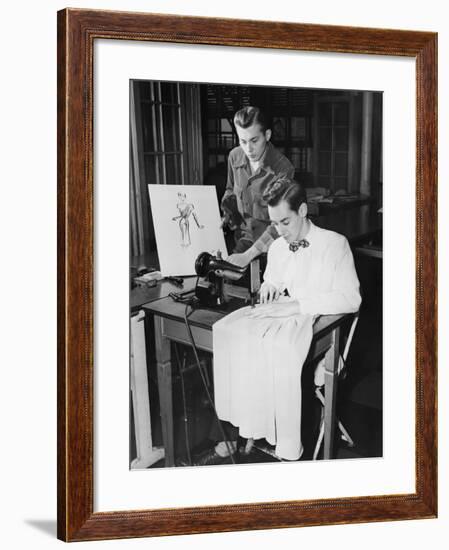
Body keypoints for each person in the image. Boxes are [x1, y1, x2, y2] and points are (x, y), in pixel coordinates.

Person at [186, 176, 361, 466]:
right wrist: (270, 285)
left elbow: (351, 299)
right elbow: (276, 278)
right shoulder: (279, 246)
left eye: (285, 222)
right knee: (230, 332)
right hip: (284, 316)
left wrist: (297, 304)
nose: (279, 231)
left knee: (279, 350)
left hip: (319, 325)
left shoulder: (334, 244)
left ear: (303, 211)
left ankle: (286, 444)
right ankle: (248, 426)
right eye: (274, 224)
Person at [221, 106, 295, 266]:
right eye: (243, 141)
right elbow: (230, 189)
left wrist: (248, 255)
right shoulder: (234, 157)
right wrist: (227, 213)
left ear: (267, 135)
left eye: (254, 141)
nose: (249, 149)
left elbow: (281, 223)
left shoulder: (283, 168)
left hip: (273, 248)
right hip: (242, 240)